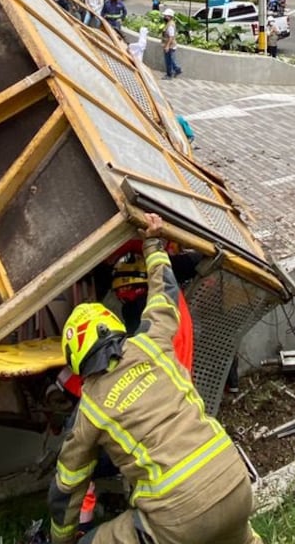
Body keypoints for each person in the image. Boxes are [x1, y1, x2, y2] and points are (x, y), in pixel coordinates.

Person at [49, 213, 263, 544]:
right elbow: (164, 290)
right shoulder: (152, 341)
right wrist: (153, 241)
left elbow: (67, 484)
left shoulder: (89, 409)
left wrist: (61, 539)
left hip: (179, 518)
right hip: (235, 484)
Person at [161, 8, 182, 79]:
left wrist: (167, 46)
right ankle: (177, 70)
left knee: (169, 61)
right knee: (171, 60)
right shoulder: (169, 24)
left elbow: (171, 37)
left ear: (170, 17)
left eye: (166, 16)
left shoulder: (170, 25)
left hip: (170, 46)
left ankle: (170, 75)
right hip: (170, 45)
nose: (164, 17)